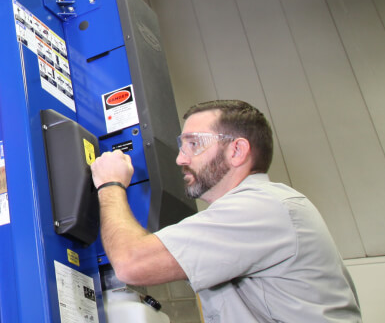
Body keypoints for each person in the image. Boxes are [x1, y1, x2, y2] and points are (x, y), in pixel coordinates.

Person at [90, 99, 362, 322]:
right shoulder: (257, 210)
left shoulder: (262, 207)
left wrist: (110, 184)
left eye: (194, 144)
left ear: (237, 150)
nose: (180, 158)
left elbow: (131, 263)